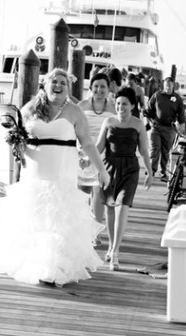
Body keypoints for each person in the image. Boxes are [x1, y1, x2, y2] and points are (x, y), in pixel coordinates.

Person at [0, 68, 110, 287]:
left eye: (63, 82)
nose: (58, 85)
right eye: (54, 81)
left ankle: (55, 268)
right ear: (45, 85)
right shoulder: (30, 109)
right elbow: (18, 139)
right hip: (34, 173)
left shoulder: (75, 112)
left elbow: (88, 143)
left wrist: (101, 170)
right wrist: (17, 145)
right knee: (34, 216)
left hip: (62, 175)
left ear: (68, 87)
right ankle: (33, 264)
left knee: (57, 220)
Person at [95, 87, 153, 270]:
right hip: (109, 168)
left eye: (125, 104)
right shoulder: (108, 121)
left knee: (123, 207)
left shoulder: (138, 125)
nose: (120, 107)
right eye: (118, 103)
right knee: (110, 209)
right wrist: (85, 158)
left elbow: (144, 150)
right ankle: (111, 246)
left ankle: (116, 251)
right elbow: (98, 147)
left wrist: (150, 172)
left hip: (130, 169)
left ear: (133, 106)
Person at [77, 73, 116, 245]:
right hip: (82, 152)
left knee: (99, 194)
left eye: (103, 87)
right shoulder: (82, 105)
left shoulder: (114, 108)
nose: (99, 90)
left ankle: (96, 232)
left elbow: (115, 132)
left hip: (103, 154)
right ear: (90, 87)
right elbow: (74, 128)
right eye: (96, 86)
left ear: (108, 90)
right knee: (81, 194)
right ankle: (80, 228)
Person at [143, 76, 186, 182]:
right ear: (164, 85)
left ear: (173, 86)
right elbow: (148, 110)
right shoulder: (157, 95)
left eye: (170, 86)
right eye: (167, 86)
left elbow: (181, 113)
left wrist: (182, 125)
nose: (168, 88)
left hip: (169, 128)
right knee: (155, 148)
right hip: (156, 127)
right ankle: (151, 171)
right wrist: (147, 122)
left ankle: (163, 172)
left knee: (166, 151)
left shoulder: (177, 99)